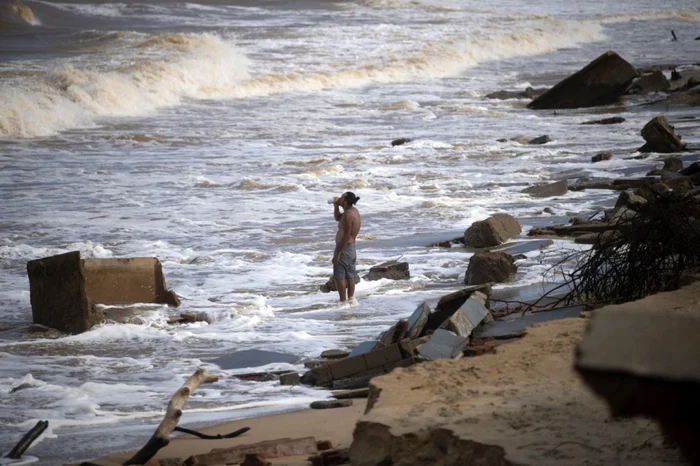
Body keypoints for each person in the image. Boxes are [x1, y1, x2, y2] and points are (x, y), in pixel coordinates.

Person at [332, 192, 361, 302]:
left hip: (344, 247)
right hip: (351, 248)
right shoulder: (352, 211)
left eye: (342, 197)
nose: (339, 198)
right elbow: (338, 218)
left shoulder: (348, 215)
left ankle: (343, 302)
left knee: (340, 276)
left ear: (345, 201)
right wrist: (336, 206)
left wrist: (338, 253)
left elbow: (346, 235)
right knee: (350, 275)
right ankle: (351, 300)